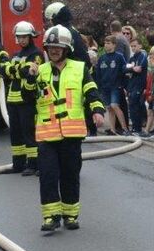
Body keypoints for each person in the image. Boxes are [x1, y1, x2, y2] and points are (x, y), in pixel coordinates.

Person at [23, 25, 105, 232]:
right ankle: (51, 217)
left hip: (72, 133)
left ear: (66, 49)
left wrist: (97, 111)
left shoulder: (79, 69)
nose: (54, 50)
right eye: (51, 47)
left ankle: (70, 215)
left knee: (70, 175)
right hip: (46, 134)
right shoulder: (39, 71)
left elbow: (91, 91)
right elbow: (27, 97)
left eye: (58, 47)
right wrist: (30, 78)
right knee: (48, 176)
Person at [0, 21, 44, 175]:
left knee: (29, 132)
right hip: (12, 99)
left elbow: (30, 71)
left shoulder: (36, 54)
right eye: (19, 37)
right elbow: (4, 71)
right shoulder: (16, 55)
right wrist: (16, 69)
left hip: (28, 99)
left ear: (31, 36)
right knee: (15, 133)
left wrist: (13, 69)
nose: (21, 40)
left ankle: (33, 164)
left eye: (24, 37)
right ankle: (18, 163)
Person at [97, 35, 129, 135]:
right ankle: (112, 129)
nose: (106, 45)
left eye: (109, 43)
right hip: (105, 87)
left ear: (114, 45)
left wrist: (124, 85)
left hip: (115, 86)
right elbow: (98, 73)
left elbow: (124, 69)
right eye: (105, 43)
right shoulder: (102, 58)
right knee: (109, 108)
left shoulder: (119, 56)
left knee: (114, 105)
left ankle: (125, 128)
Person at [44, 2, 91, 67]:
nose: (50, 22)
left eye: (51, 19)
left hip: (71, 71)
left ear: (55, 18)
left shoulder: (63, 33)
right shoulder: (72, 30)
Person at [125, 37, 147, 135]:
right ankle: (134, 127)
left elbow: (139, 69)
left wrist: (131, 69)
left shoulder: (142, 56)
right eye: (132, 46)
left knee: (136, 106)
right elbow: (125, 69)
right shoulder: (132, 58)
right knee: (132, 106)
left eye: (135, 46)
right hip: (131, 85)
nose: (133, 48)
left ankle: (138, 128)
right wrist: (132, 69)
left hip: (139, 85)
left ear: (140, 46)